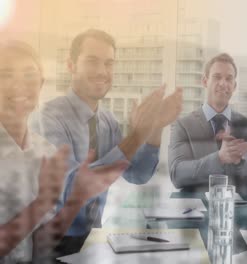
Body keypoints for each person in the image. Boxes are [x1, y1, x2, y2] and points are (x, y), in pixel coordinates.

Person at [31, 29, 183, 253]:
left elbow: (136, 174)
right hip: (50, 245)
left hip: (92, 240)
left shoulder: (107, 120)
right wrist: (138, 134)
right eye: (92, 61)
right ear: (71, 65)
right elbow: (74, 188)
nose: (102, 71)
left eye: (109, 63)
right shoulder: (48, 118)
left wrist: (155, 127)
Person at [0, 40, 128, 263]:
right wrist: (42, 204)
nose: (18, 85)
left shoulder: (45, 151)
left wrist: (76, 199)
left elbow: (42, 239)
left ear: (40, 84)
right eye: (5, 74)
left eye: (28, 75)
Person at [168, 53, 247, 198]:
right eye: (217, 77)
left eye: (229, 79)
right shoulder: (183, 126)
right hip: (198, 213)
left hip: (243, 214)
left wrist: (240, 162)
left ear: (234, 86)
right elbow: (177, 175)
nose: (223, 83)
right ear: (205, 81)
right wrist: (219, 158)